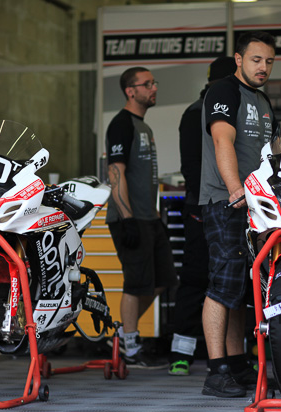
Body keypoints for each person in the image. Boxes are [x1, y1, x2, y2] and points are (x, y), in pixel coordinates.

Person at [199, 31, 276, 397]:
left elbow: (274, 150)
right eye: (256, 59)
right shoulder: (224, 91)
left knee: (243, 289)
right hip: (226, 201)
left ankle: (238, 363)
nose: (263, 67)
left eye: (269, 61)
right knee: (223, 284)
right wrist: (235, 190)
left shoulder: (262, 99)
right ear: (239, 59)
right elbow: (221, 140)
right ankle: (216, 372)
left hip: (258, 206)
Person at [168, 56, 238, 377]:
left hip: (208, 205)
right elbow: (196, 168)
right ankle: (181, 354)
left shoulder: (199, 108)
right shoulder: (203, 112)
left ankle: (200, 355)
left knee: (215, 281)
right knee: (203, 279)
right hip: (206, 206)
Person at [105, 67, 178, 369]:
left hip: (149, 217)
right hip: (129, 218)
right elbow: (115, 173)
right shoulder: (121, 124)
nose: (153, 88)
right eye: (146, 84)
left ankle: (123, 332)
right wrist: (128, 218)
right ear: (130, 91)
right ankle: (130, 346)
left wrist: (154, 214)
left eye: (154, 83)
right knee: (136, 284)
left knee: (164, 280)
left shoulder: (143, 127)